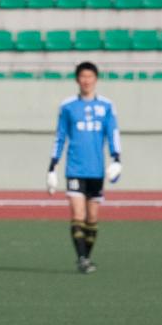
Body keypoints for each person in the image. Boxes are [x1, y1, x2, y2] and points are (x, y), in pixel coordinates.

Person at [47, 61, 123, 274]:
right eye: (82, 76)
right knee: (77, 214)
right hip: (75, 169)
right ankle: (81, 258)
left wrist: (117, 159)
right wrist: (52, 167)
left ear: (96, 79)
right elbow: (60, 137)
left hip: (96, 170)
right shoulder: (68, 106)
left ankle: (86, 257)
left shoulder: (107, 106)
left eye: (90, 77)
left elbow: (113, 134)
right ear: (77, 79)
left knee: (92, 218)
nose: (86, 80)